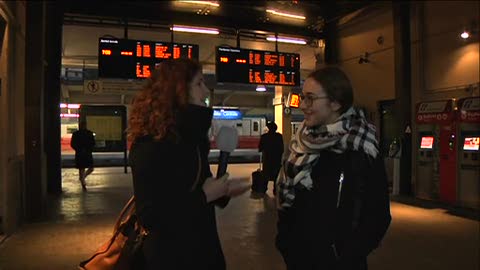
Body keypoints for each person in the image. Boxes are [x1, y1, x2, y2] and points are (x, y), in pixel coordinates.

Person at [128, 58, 249, 270]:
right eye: (199, 83)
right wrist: (206, 195)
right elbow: (150, 216)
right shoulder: (150, 144)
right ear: (178, 91)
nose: (205, 92)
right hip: (170, 258)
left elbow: (198, 188)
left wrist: (223, 191)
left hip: (203, 251)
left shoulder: (194, 140)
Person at [275, 66, 391, 270]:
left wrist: (345, 255)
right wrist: (287, 245)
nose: (303, 105)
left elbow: (378, 215)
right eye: (303, 97)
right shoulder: (300, 144)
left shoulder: (361, 149)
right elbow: (289, 206)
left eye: (310, 98)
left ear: (336, 103)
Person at [258, 121, 284, 195]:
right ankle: (275, 190)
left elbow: (260, 148)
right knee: (276, 175)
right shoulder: (279, 136)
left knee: (266, 174)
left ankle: (264, 188)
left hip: (267, 159)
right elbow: (282, 148)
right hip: (277, 159)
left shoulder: (264, 136)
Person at [70, 120, 95, 191]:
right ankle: (83, 180)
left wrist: (78, 149)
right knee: (91, 167)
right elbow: (93, 143)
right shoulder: (89, 133)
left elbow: (72, 144)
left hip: (79, 153)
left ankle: (82, 179)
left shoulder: (76, 134)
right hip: (87, 153)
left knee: (81, 168)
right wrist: (88, 149)